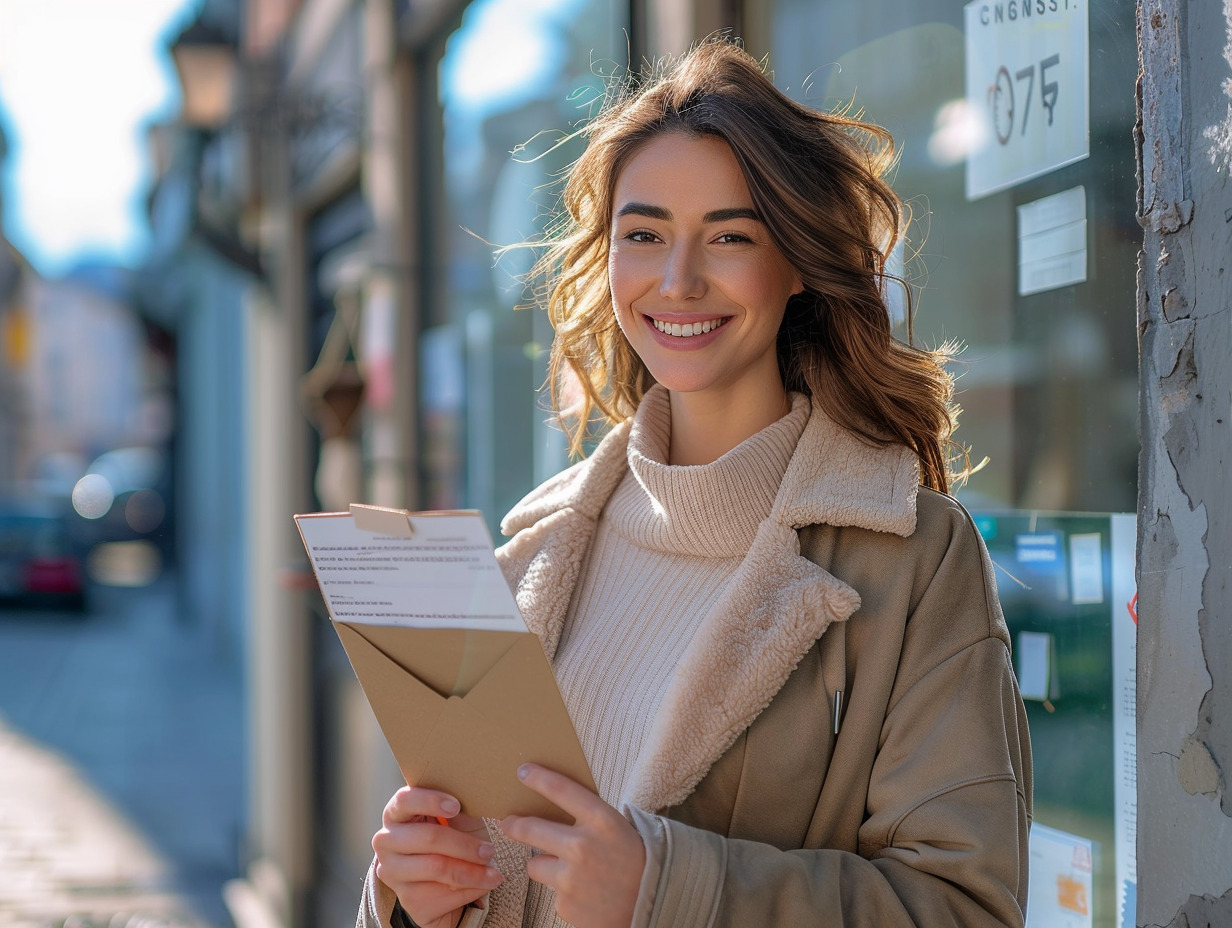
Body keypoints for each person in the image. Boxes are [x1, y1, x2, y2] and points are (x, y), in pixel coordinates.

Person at [359, 36, 1032, 928]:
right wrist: (413, 899)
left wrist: (670, 891)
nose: (678, 281)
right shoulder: (533, 543)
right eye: (643, 234)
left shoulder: (910, 556)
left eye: (729, 237)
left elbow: (964, 909)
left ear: (795, 262)